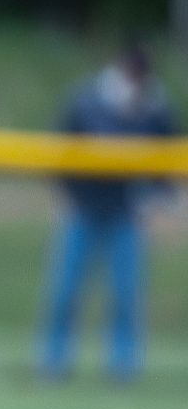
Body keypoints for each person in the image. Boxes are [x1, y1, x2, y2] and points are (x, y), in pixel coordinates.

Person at [37, 42, 175, 382]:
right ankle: (53, 362)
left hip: (126, 213)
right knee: (65, 292)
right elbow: (59, 152)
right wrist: (66, 195)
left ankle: (122, 366)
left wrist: (156, 199)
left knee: (125, 296)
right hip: (82, 209)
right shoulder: (87, 100)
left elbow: (167, 165)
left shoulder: (155, 109)